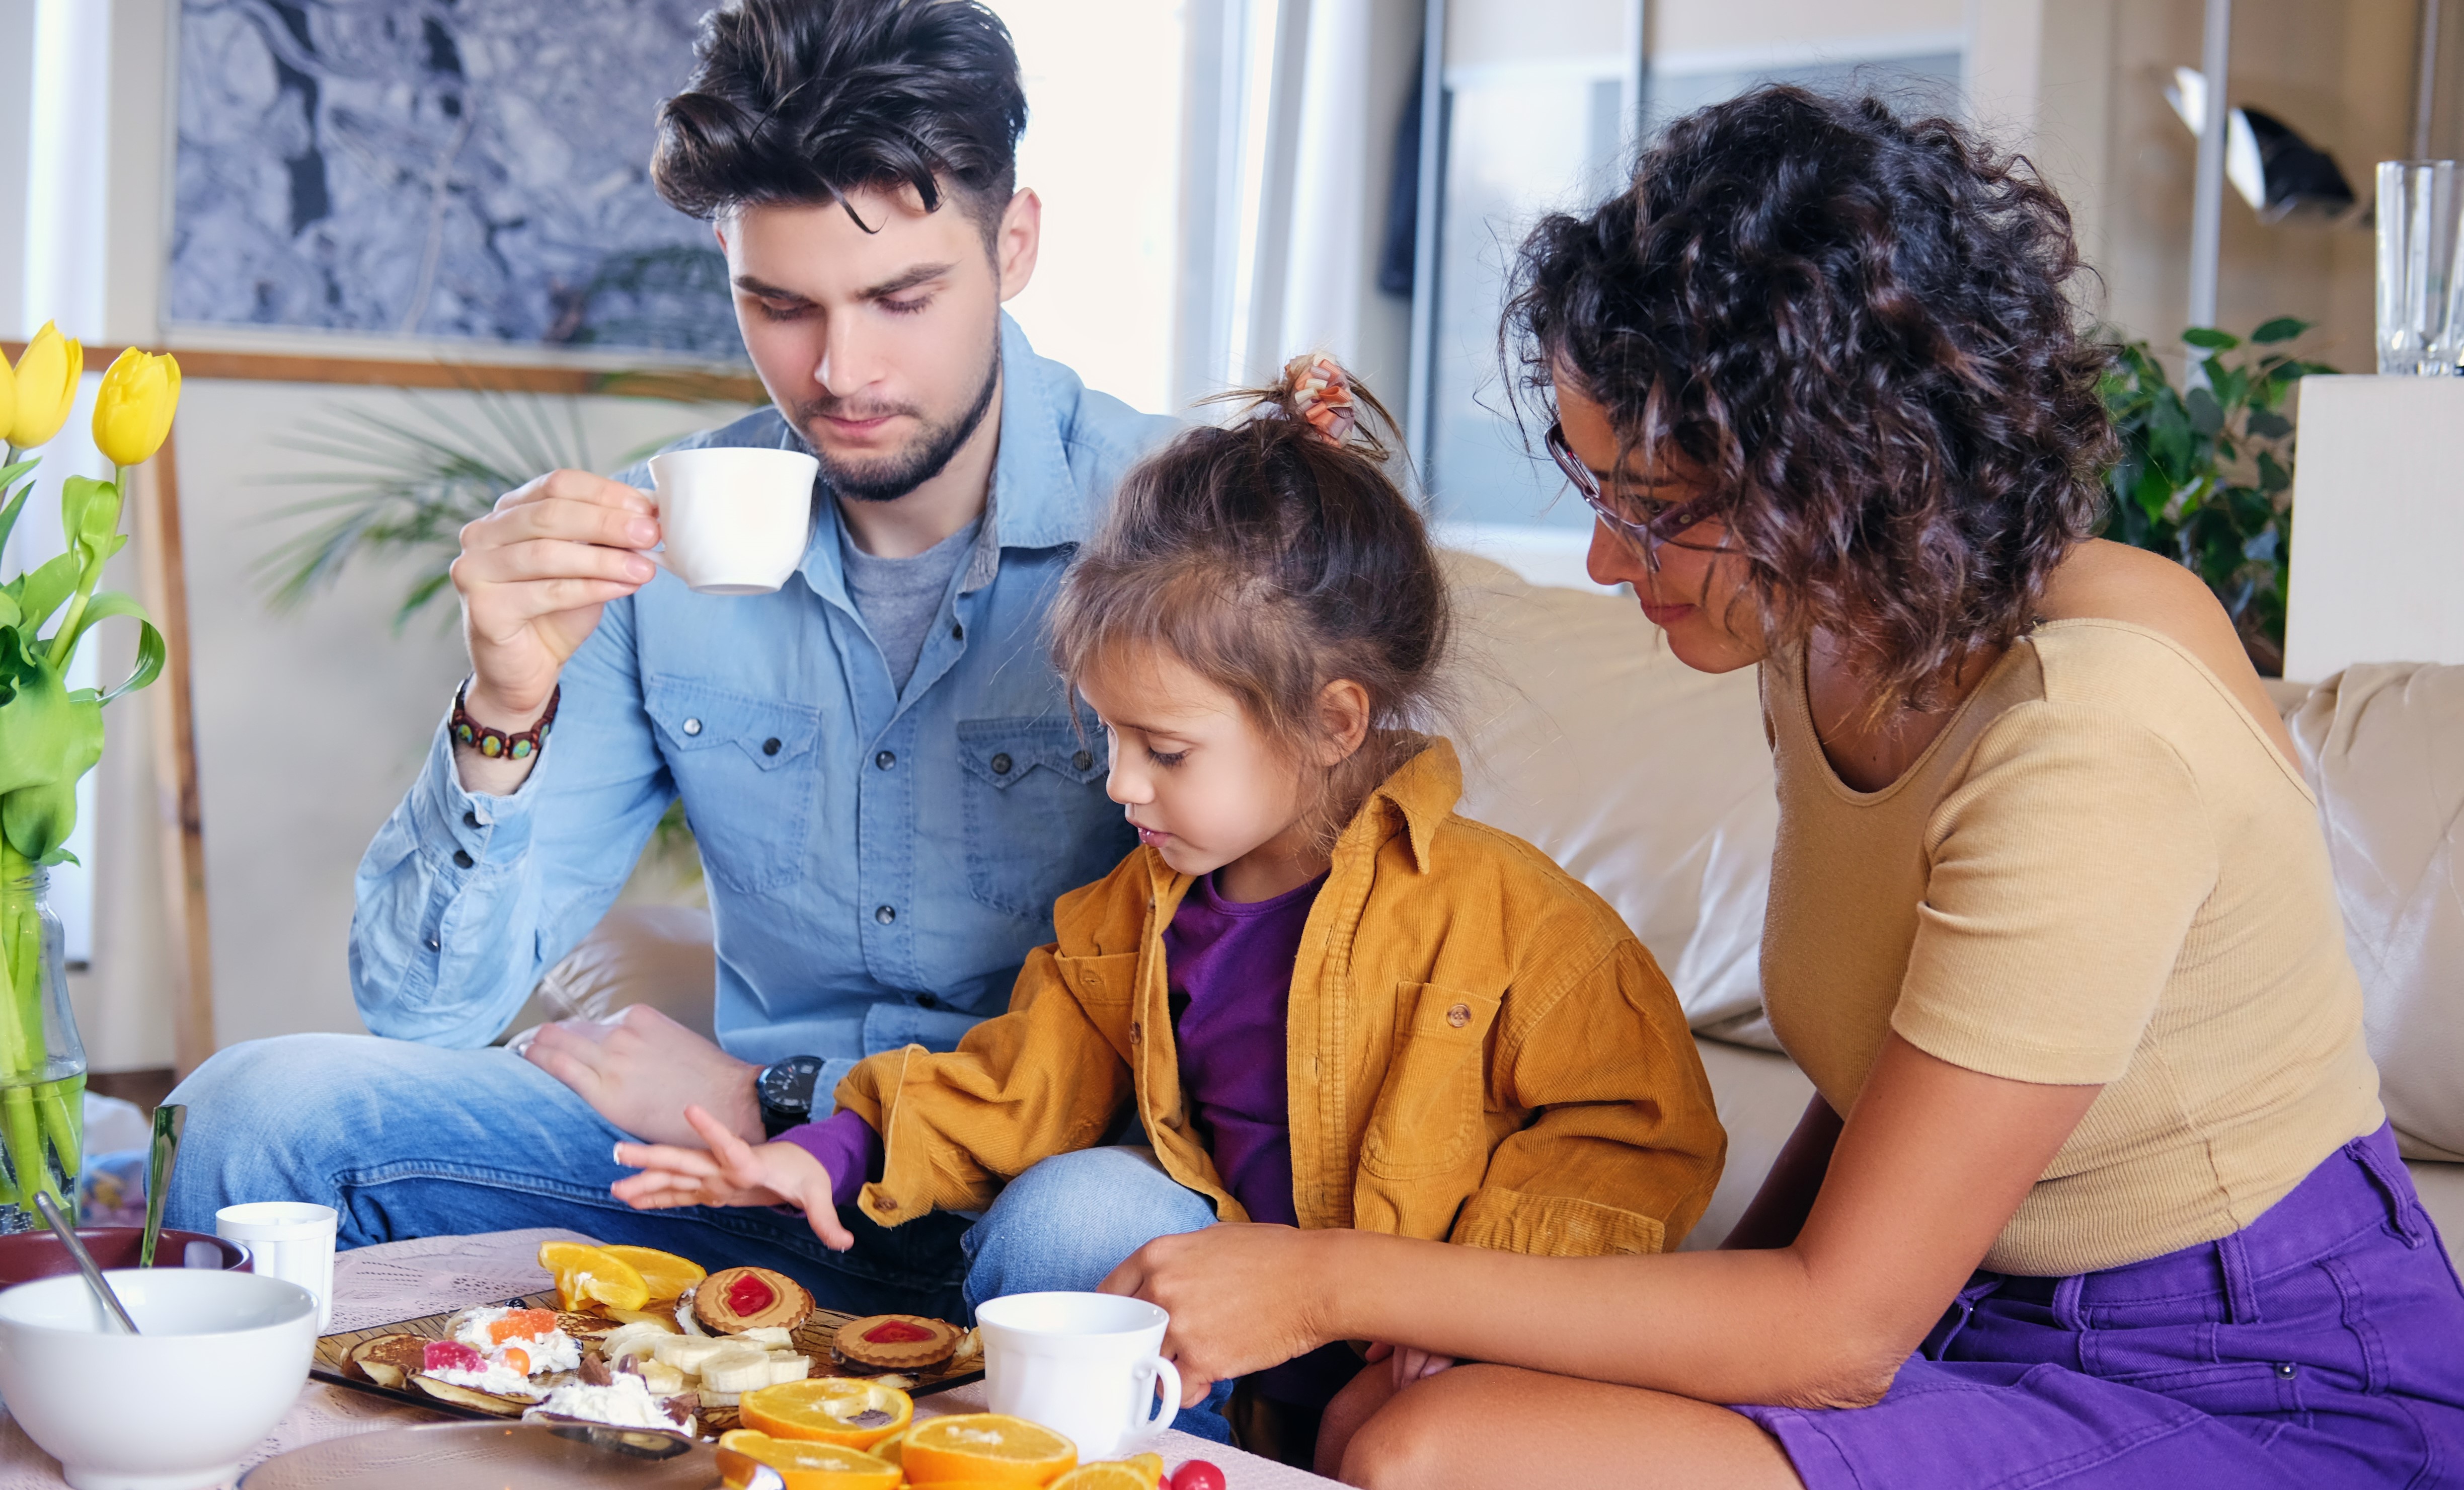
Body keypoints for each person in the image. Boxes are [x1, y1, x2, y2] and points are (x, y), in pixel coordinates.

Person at [1090, 88, 2464, 1488]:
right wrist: (1595, 1343)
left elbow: (1841, 1329)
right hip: (1967, 1307)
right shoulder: (1819, 634)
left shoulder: (2090, 730)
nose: (1608, 566)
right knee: (1379, 1426)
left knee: (1437, 1454)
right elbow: (1891, 1080)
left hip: (2263, 1375)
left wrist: (1328, 1283)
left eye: (1658, 510)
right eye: (1597, 490)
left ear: (1840, 474)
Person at [163, 0, 1177, 1324]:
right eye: (780, 304)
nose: (841, 370)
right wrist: (505, 705)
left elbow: (1255, 1011)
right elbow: (427, 1009)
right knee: (249, 1116)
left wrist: (787, 1098)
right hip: (721, 1175)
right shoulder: (670, 550)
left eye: (901, 298)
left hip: (1045, 1169)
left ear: (1016, 244)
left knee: (1090, 1231)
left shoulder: (1180, 520)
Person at [605, 359, 1726, 1459]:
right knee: (1076, 1210)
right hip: (1210, 1359)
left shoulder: (1519, 920)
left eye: (1167, 750)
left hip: (1412, 1357)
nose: (1120, 785)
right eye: (1110, 737)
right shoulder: (1126, 917)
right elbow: (1014, 1087)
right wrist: (833, 1149)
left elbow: (1635, 1134)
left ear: (1335, 722)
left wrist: (1471, 1308)